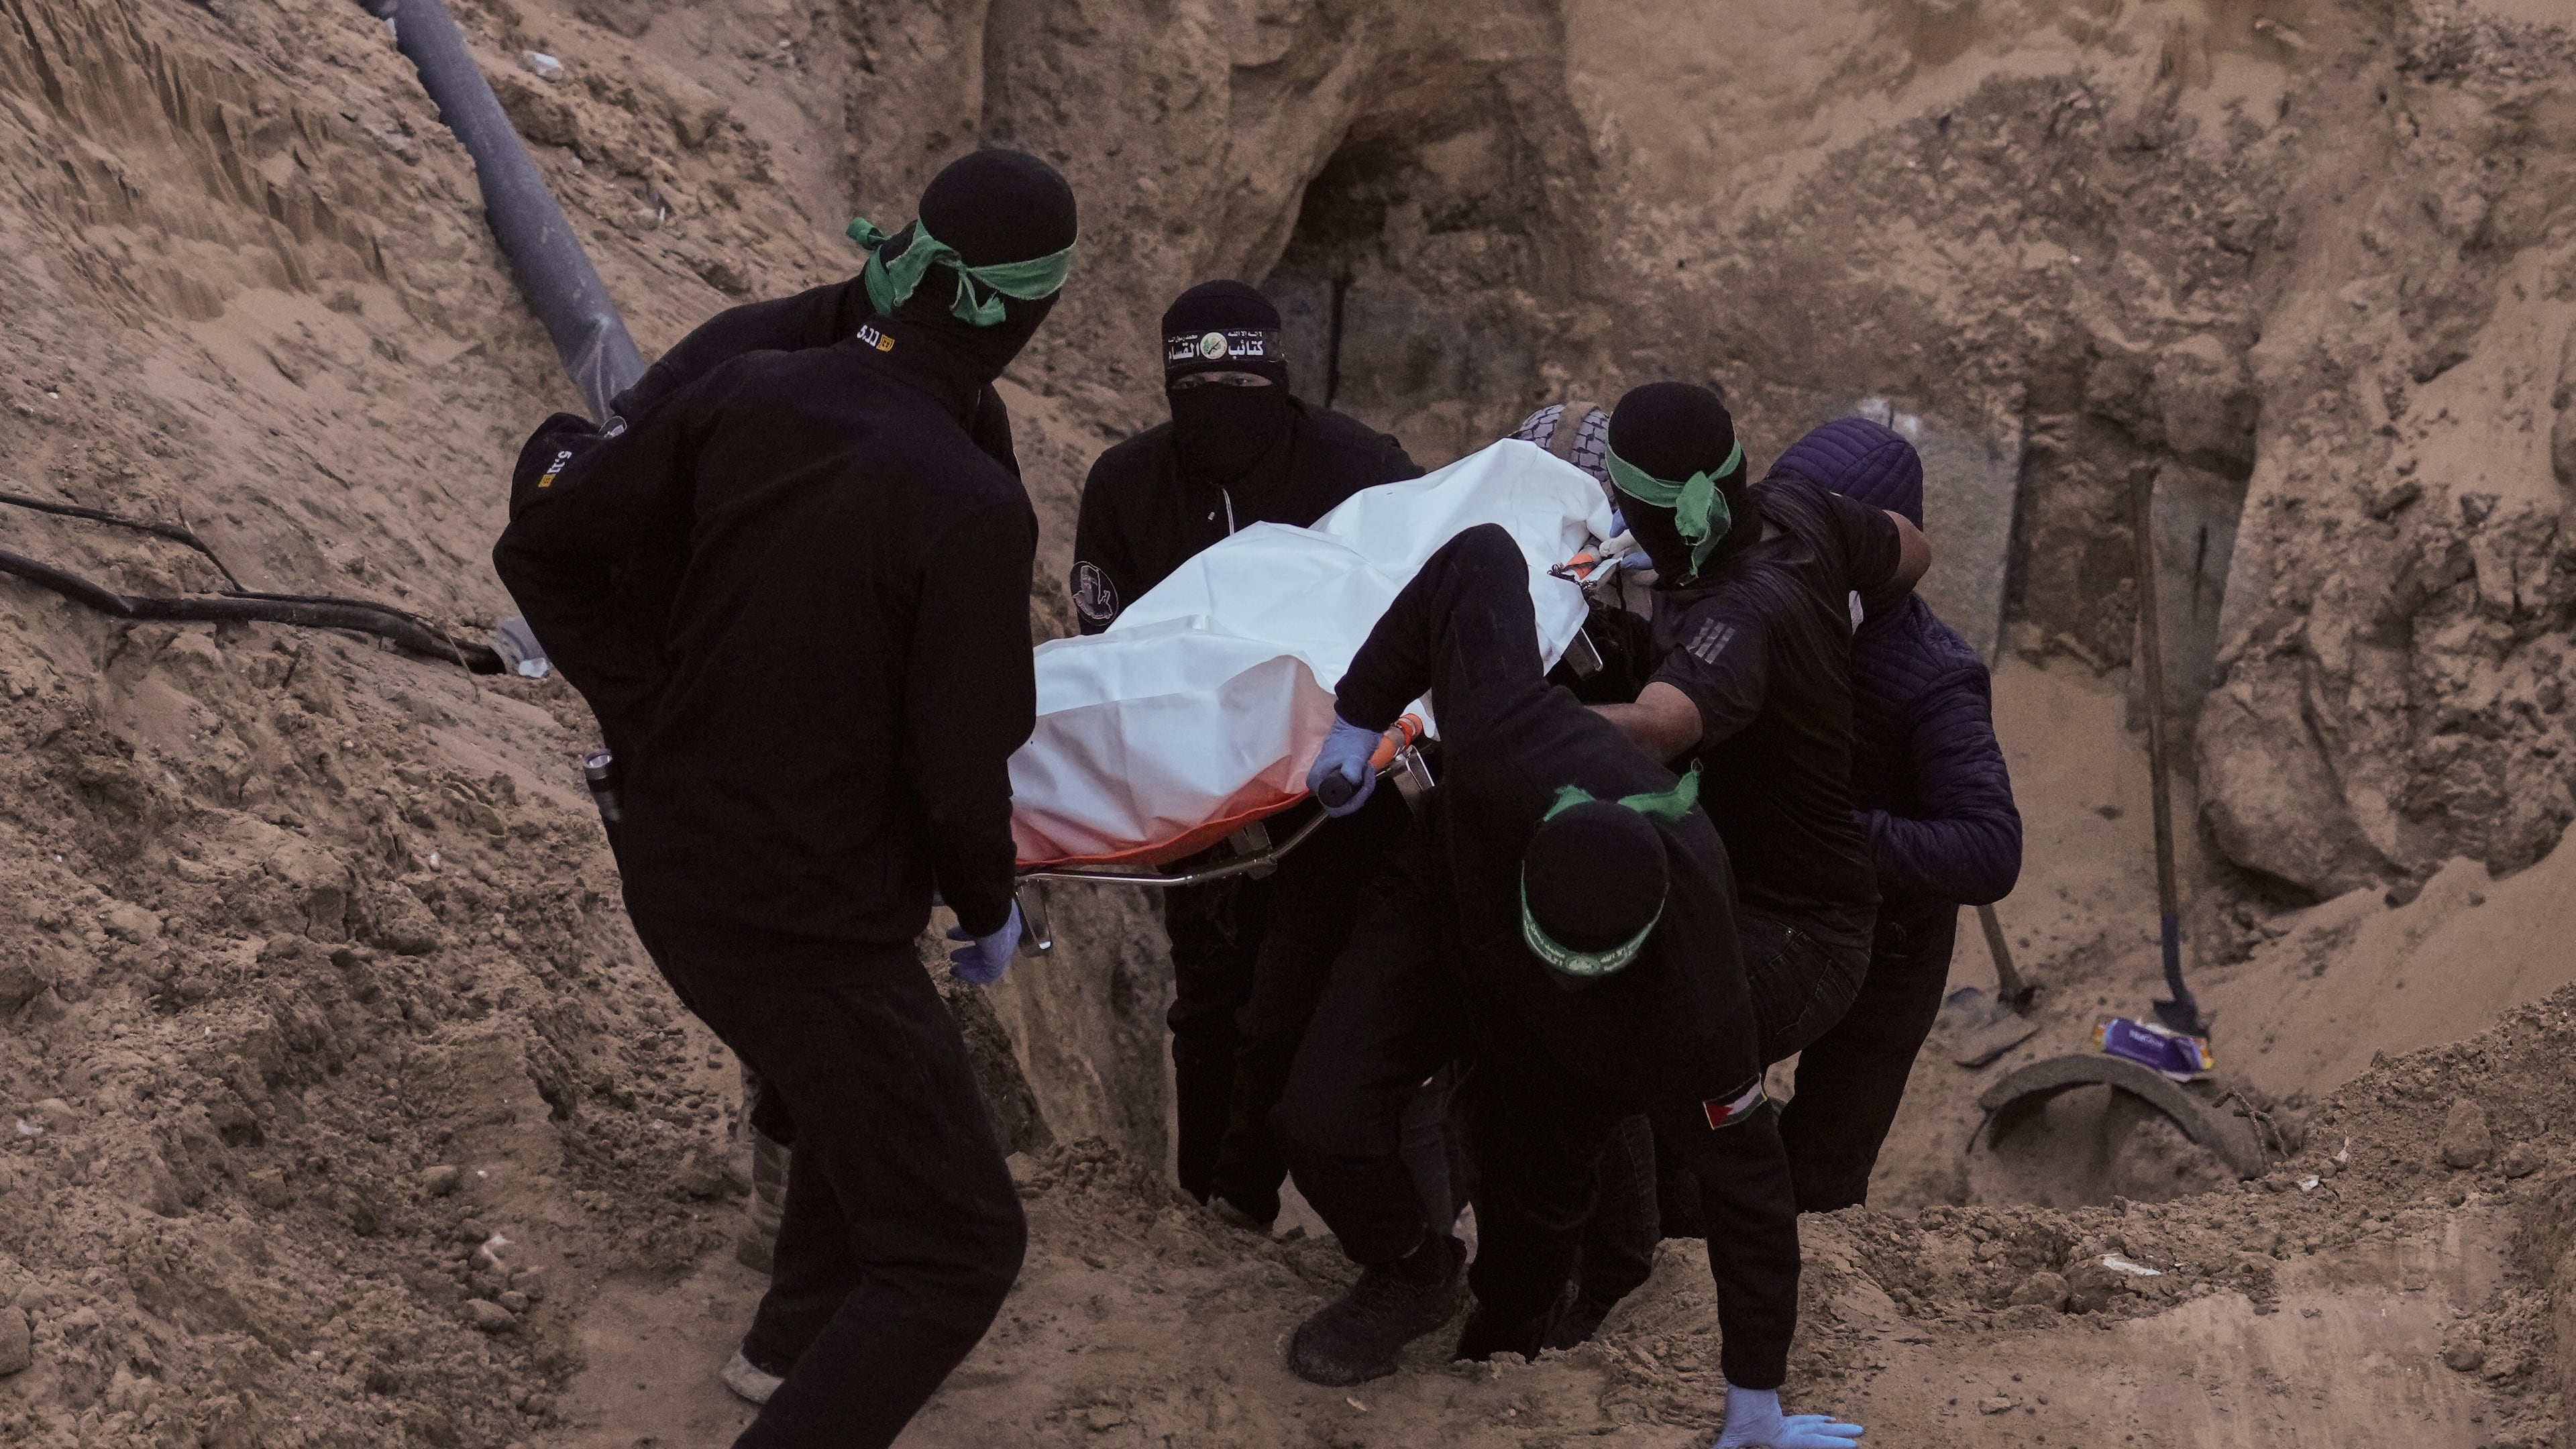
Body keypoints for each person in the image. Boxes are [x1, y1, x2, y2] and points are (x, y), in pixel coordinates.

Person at [492, 149, 1077, 1449]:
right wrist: (989, 905)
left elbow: (544, 539)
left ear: (904, 261)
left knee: (848, 1083)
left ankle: (791, 1335)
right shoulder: (976, 502)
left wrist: (653, 715)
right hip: (808, 925)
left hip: (674, 871)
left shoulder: (748, 389)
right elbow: (956, 765)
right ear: (1031, 321)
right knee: (960, 1248)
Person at [1271, 525, 1870, 1449]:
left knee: (1540, 1208)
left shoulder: (1699, 999)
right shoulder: (1510, 737)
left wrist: (1755, 1397)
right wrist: (1358, 717)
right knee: (1321, 1115)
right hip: (1446, 923)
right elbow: (1479, 556)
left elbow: (1752, 1188)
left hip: (1582, 1051)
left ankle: (1497, 1357)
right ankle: (1410, 1268)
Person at [1071, 280, 1426, 1232]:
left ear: (1280, 376)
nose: (1223, 413)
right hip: (1193, 796)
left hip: (1333, 795)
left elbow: (1420, 613)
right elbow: (1109, 654)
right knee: (1208, 1006)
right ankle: (1207, 1211)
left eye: (1243, 383)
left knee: (1298, 1005)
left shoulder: (1363, 469)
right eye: (1200, 389)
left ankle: (1269, 1199)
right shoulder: (1129, 485)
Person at [1766, 418, 2022, 1210]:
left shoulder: (1933, 677)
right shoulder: (1764, 615)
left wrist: (1835, 833)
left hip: (1891, 950)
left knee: (1823, 1182)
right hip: (1765, 919)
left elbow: (1989, 849)